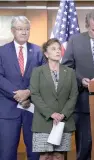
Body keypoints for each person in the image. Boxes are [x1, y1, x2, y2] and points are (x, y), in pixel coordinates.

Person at [61, 10, 94, 160]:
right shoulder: (75, 41)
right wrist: (80, 80)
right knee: (84, 148)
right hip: (83, 103)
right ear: (87, 27)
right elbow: (66, 68)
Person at [0, 16, 45, 160]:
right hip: (8, 110)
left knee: (34, 154)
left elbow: (44, 78)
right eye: (20, 29)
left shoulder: (38, 51)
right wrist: (17, 94)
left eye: (26, 29)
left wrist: (28, 92)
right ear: (13, 31)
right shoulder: (1, 51)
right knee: (6, 153)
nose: (24, 32)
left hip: (32, 110)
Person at [30, 38, 78, 160]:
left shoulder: (70, 72)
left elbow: (73, 95)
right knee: (45, 155)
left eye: (59, 48)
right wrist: (51, 114)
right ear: (46, 54)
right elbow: (35, 95)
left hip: (63, 122)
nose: (58, 51)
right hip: (43, 121)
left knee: (58, 156)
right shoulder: (37, 72)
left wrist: (63, 114)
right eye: (53, 49)